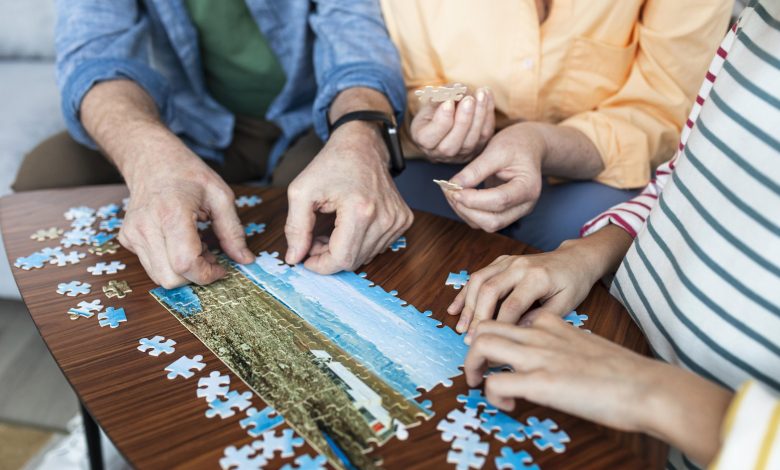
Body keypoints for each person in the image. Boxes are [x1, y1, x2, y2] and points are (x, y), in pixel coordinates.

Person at [449, 2, 780, 468]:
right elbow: (681, 178)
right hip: (607, 346)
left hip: (670, 425)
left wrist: (652, 392)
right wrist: (586, 255)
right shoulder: (759, 20)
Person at [13, 0, 413, 287]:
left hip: (314, 119)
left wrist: (361, 136)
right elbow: (93, 55)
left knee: (333, 227)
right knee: (48, 175)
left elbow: (356, 34)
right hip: (189, 125)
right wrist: (148, 158)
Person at [381, 0, 732, 251]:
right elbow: (417, 85)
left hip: (590, 176)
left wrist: (540, 143)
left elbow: (658, 113)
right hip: (434, 169)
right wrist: (438, 121)